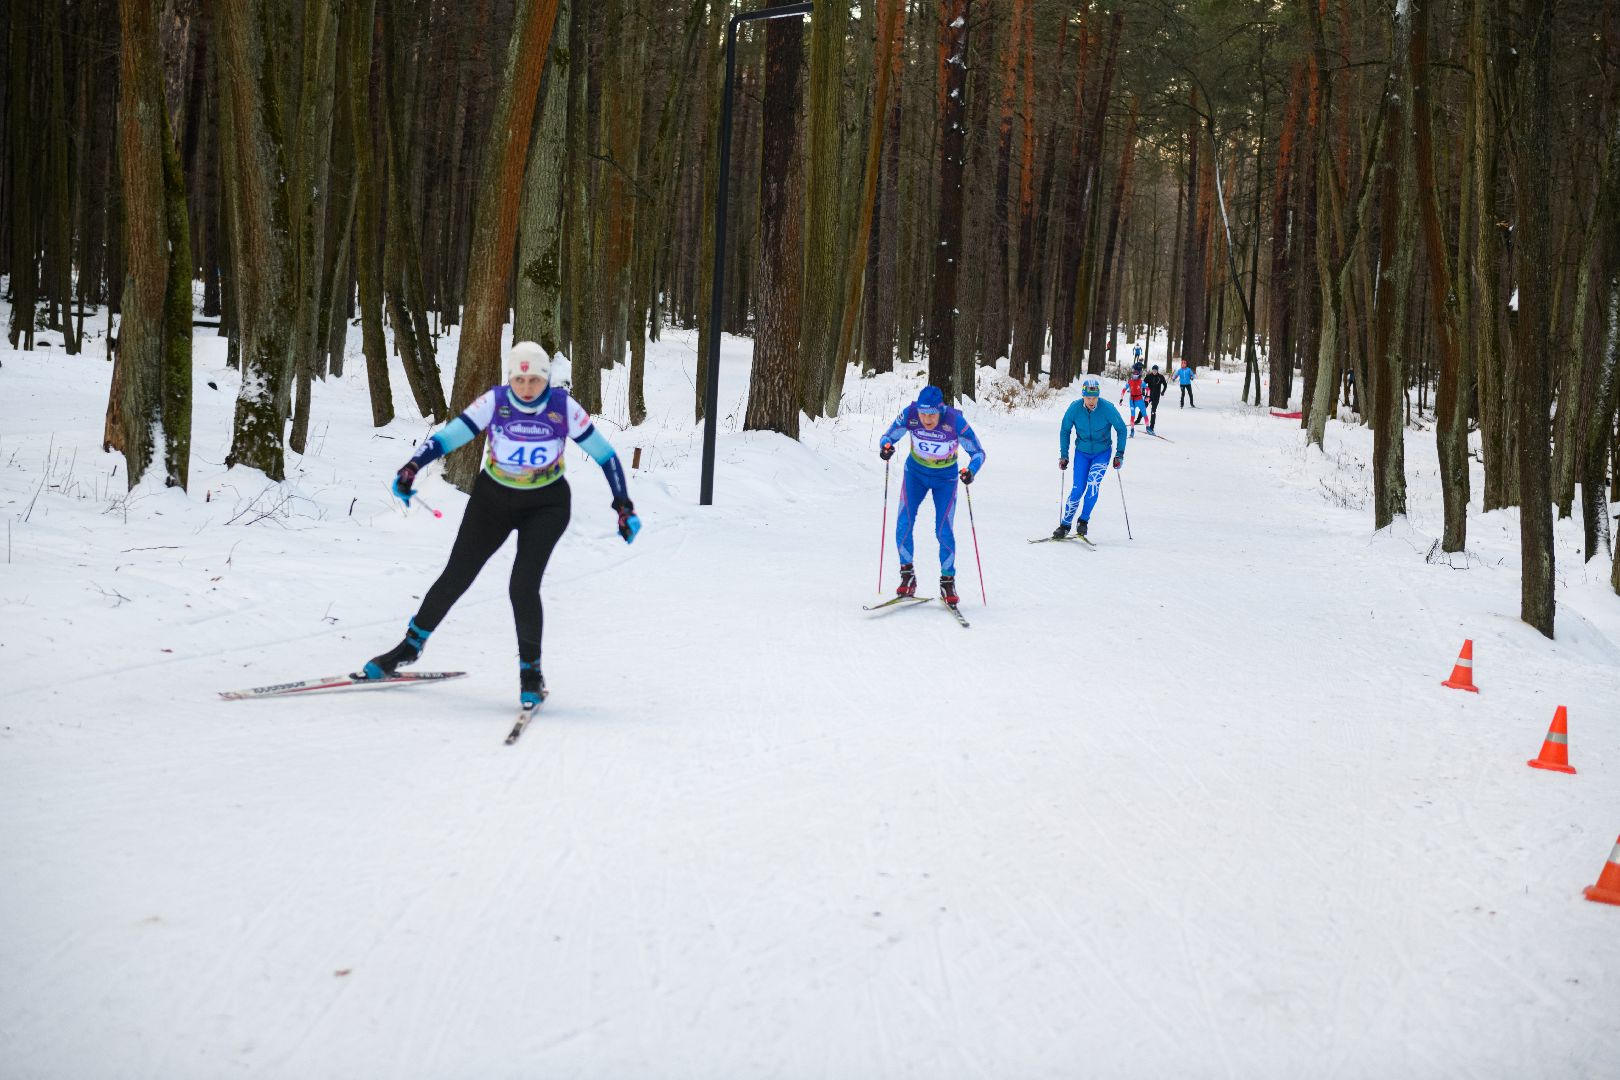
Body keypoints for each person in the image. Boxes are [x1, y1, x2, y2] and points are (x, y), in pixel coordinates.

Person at [360, 341, 640, 708]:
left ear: (546, 379)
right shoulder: (496, 401)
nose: (526, 387)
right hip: (493, 500)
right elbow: (449, 437)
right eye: (519, 379)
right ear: (510, 378)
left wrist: (623, 506)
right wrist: (412, 467)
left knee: (522, 586)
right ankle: (408, 648)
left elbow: (606, 456)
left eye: (535, 380)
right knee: (456, 576)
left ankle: (531, 674)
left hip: (546, 505)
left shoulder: (562, 407)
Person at [879, 385, 986, 607]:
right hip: (915, 475)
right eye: (923, 413)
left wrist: (971, 471)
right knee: (903, 524)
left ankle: (947, 581)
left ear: (940, 410)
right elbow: (888, 436)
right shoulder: (910, 414)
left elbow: (978, 452)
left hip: (945, 480)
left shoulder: (954, 421)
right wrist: (886, 446)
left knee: (943, 529)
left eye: (932, 414)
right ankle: (907, 575)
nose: (927, 419)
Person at [1054, 375, 1127, 539]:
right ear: (1083, 396)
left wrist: (1119, 454)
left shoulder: (1107, 408)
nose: (1092, 401)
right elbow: (1065, 430)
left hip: (1102, 453)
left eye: (1094, 397)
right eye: (1088, 397)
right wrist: (1064, 455)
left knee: (1093, 484)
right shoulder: (1074, 408)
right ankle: (1065, 524)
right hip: (1082, 453)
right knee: (1077, 489)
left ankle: (1083, 521)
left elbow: (1121, 429)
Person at [1119, 363, 1149, 434]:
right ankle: (1132, 430)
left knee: (1144, 413)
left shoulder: (1141, 382)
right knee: (1132, 415)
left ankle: (1148, 427)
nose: (1135, 374)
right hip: (1132, 401)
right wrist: (1121, 399)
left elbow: (1148, 389)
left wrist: (1147, 396)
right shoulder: (1130, 381)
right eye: (1134, 372)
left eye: (1136, 373)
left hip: (1140, 400)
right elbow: (1123, 390)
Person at [1144, 364, 1168, 433]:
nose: (1154, 371)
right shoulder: (1149, 376)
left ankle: (1151, 427)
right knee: (1143, 408)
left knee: (1153, 411)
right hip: (1148, 395)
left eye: (1155, 370)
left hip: (1156, 396)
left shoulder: (1160, 377)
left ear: (1157, 371)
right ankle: (1138, 419)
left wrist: (1163, 392)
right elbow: (1143, 383)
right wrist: (1143, 390)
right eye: (1153, 370)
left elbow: (1165, 385)